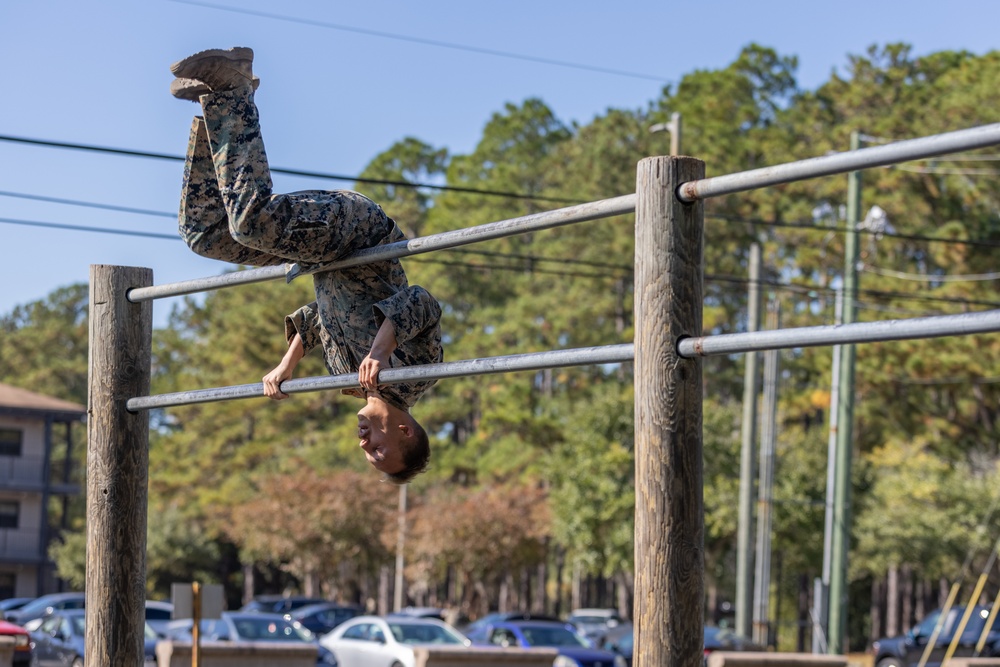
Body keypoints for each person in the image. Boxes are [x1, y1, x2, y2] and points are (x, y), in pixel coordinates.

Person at [169, 46, 443, 484]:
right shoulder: (418, 375)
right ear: (405, 430)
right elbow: (421, 302)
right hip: (358, 234)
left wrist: (287, 364)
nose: (364, 445)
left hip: (321, 257)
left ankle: (214, 110)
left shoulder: (348, 380)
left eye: (367, 454)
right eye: (378, 450)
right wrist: (380, 350)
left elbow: (322, 319)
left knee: (205, 235)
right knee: (251, 223)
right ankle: (232, 87)